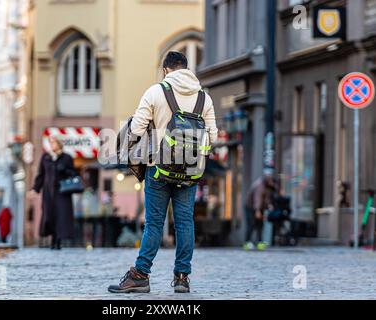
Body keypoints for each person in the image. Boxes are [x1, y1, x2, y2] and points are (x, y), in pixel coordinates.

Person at [108, 52, 218, 294]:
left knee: (155, 223)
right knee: (185, 223)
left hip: (158, 169)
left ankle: (140, 275)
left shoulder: (156, 92)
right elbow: (214, 136)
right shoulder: (204, 98)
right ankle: (182, 278)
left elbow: (136, 129)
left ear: (166, 70)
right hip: (190, 172)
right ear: (187, 70)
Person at [31, 136, 77, 250]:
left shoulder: (67, 158)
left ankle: (58, 241)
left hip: (62, 192)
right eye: (50, 143)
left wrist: (65, 170)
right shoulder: (46, 157)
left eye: (54, 143)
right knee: (49, 216)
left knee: (61, 217)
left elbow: (74, 174)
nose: (52, 145)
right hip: (48, 193)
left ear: (59, 144)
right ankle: (52, 239)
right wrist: (35, 189)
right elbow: (41, 175)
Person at [243, 171, 278, 251]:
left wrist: (269, 205)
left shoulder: (268, 187)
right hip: (251, 207)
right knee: (251, 224)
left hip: (260, 208)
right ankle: (247, 243)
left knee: (260, 225)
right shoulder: (260, 186)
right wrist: (257, 211)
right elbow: (257, 199)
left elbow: (266, 198)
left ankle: (260, 242)